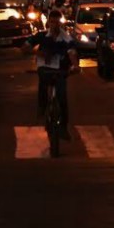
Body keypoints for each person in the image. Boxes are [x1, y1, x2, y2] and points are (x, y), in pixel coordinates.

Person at [21, 9, 80, 140]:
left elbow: (72, 53)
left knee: (62, 97)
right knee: (43, 82)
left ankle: (63, 128)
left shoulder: (66, 38)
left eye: (57, 22)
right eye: (52, 22)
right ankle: (42, 109)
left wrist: (75, 66)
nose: (55, 25)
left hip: (60, 70)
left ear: (61, 23)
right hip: (45, 69)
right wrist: (37, 53)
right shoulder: (41, 36)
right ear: (49, 22)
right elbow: (24, 48)